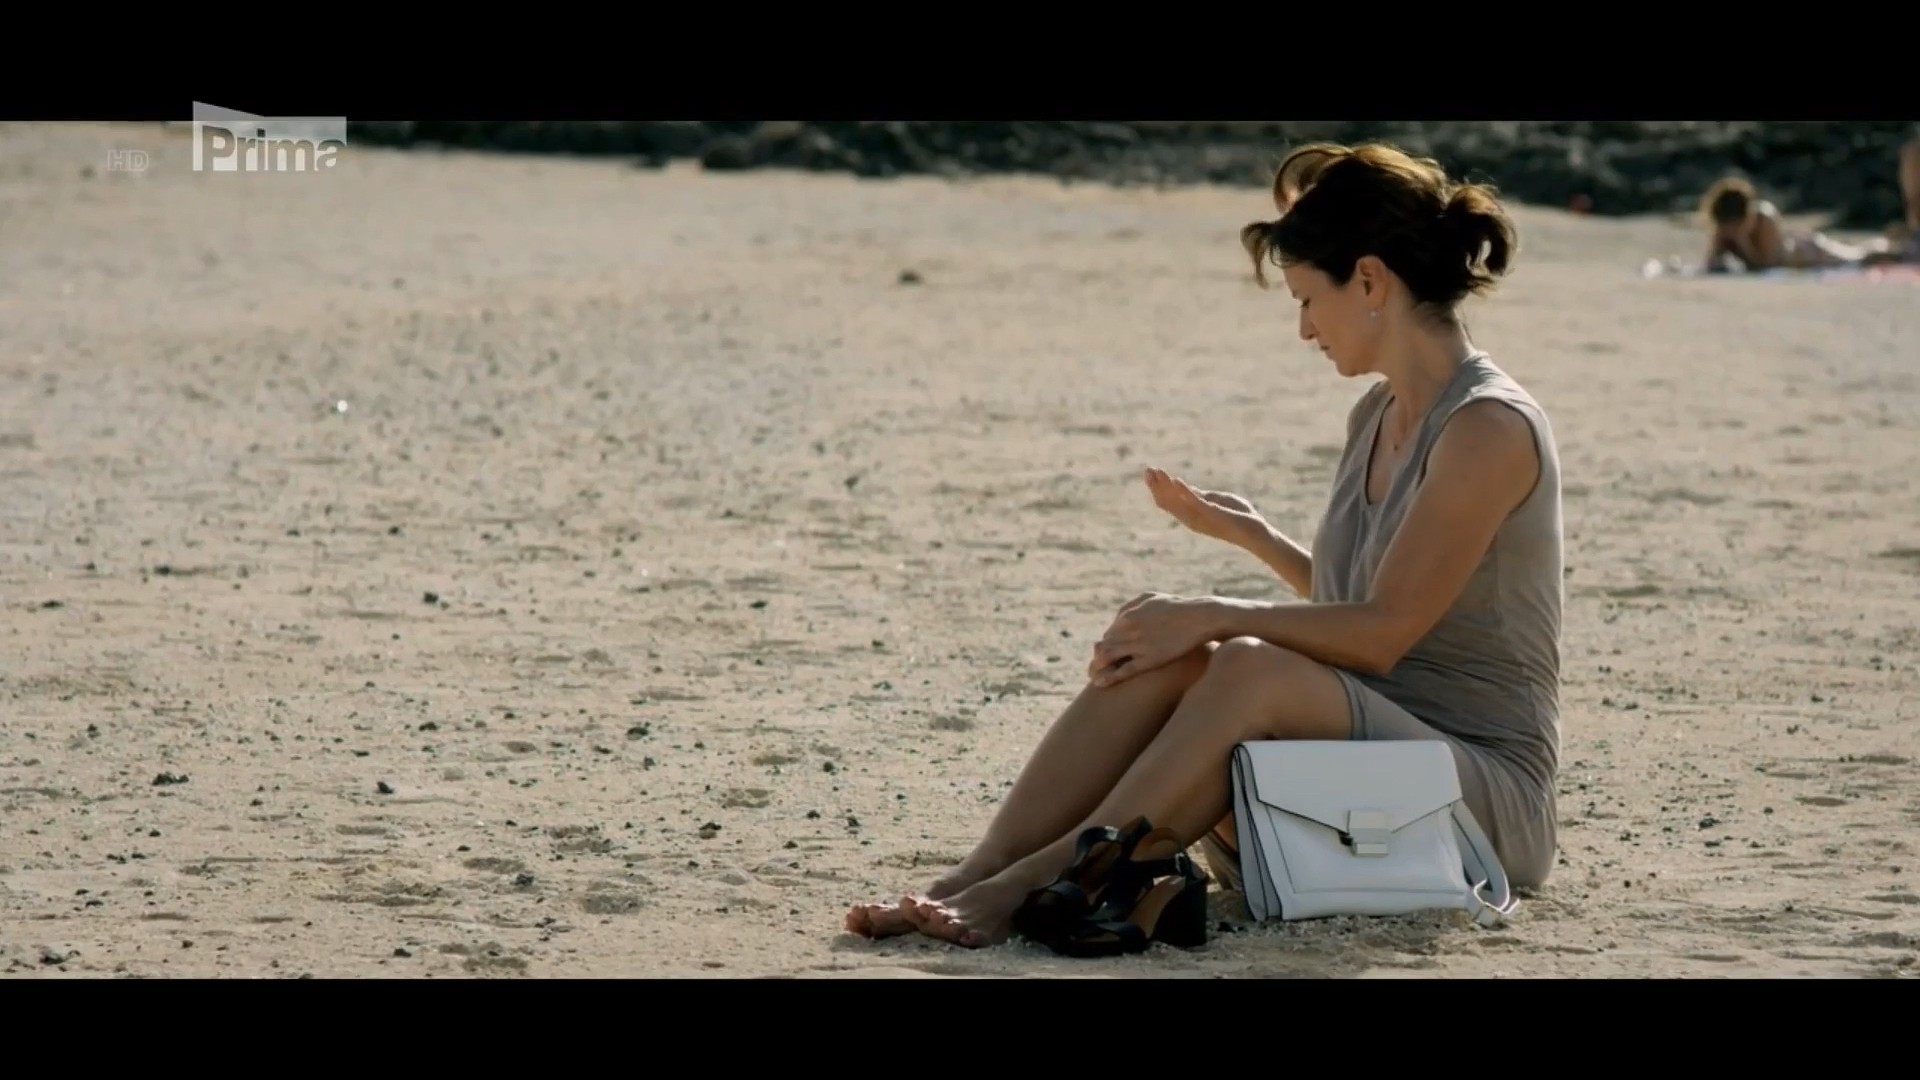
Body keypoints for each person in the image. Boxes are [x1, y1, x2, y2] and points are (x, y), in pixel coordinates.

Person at [844, 141, 1565, 954]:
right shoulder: (1376, 415)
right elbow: (1367, 608)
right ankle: (975, 873)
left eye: (1306, 299)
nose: (1304, 329)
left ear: (1369, 281)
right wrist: (1252, 538)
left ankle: (1033, 883)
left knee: (1241, 659)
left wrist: (1213, 612)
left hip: (1478, 800)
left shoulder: (1486, 427)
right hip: (1368, 766)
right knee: (1177, 656)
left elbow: (1383, 634)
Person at [1697, 168, 1911, 273]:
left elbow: (1768, 264)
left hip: (1810, 252)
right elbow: (1711, 264)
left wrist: (1743, 241)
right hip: (1800, 254)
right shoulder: (1725, 226)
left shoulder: (1764, 217)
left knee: (1859, 258)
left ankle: (1901, 249)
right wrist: (1720, 243)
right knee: (1857, 257)